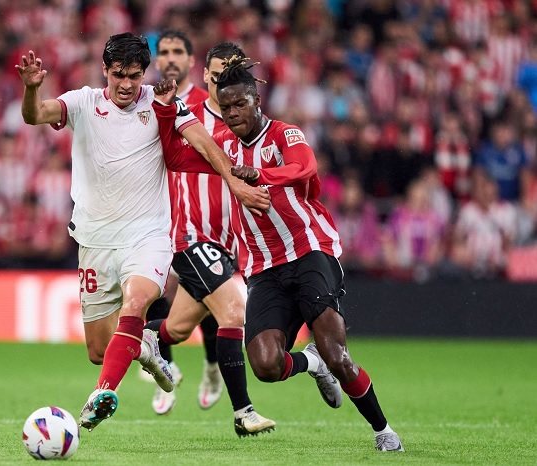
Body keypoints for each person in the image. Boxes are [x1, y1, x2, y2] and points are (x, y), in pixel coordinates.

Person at [15, 32, 270, 432]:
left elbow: (202, 141)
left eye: (135, 76)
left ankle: (101, 395)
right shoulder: (83, 102)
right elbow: (36, 115)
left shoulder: (160, 101)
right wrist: (32, 89)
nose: (126, 84)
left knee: (136, 304)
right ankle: (147, 346)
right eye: (118, 74)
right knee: (99, 350)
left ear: (144, 74)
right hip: (95, 240)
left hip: (147, 236)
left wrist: (233, 181)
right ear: (105, 69)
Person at [152, 56, 404, 452]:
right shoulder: (222, 149)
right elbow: (174, 157)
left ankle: (383, 430)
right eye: (225, 106)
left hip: (309, 251)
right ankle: (312, 362)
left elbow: (304, 168)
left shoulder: (285, 134)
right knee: (266, 365)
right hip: (263, 267)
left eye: (240, 104)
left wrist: (260, 174)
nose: (232, 113)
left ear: (257, 101)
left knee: (338, 355)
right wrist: (165, 109)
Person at [146, 41, 276, 436]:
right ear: (205, 76)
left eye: (229, 77)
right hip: (191, 236)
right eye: (216, 76)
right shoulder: (189, 115)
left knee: (176, 329)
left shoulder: (249, 124)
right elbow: (169, 155)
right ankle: (243, 413)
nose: (222, 84)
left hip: (228, 243)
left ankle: (138, 336)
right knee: (233, 313)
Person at [144, 29, 222, 416]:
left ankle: (212, 365)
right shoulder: (146, 102)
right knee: (153, 293)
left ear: (192, 61)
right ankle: (166, 369)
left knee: (205, 297)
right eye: (164, 52)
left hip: (202, 217)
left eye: (178, 51)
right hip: (159, 216)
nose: (171, 58)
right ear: (157, 61)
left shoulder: (210, 104)